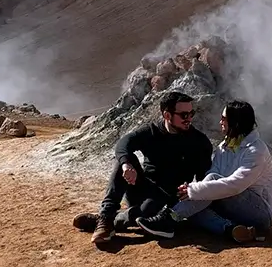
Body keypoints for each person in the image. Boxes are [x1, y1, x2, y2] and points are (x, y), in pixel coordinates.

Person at [75, 91, 214, 244]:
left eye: (191, 113)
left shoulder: (199, 142)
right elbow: (123, 144)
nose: (189, 119)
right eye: (183, 115)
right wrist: (126, 164)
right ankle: (106, 216)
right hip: (141, 187)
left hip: (166, 197)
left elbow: (204, 178)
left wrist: (192, 191)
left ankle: (105, 220)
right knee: (124, 160)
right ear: (167, 115)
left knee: (148, 211)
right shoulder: (151, 131)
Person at [134, 100, 272, 244]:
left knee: (203, 190)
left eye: (224, 118)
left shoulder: (256, 150)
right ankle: (230, 229)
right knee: (194, 206)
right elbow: (214, 173)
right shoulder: (225, 146)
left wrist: (194, 190)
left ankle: (169, 218)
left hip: (261, 213)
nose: (220, 122)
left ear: (235, 122)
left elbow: (236, 185)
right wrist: (193, 191)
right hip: (233, 205)